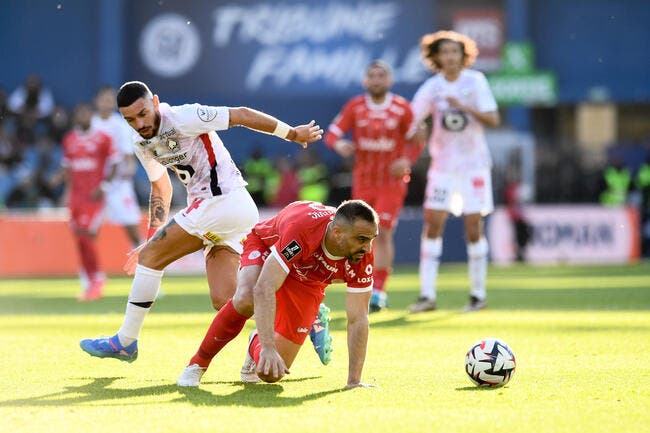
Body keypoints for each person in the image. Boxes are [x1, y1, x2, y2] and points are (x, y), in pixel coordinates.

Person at [79, 81, 323, 361]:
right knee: (227, 299)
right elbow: (162, 188)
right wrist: (153, 237)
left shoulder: (185, 116)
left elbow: (240, 114)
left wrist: (292, 133)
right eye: (130, 119)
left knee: (151, 257)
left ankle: (125, 341)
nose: (139, 123)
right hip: (219, 212)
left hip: (223, 202)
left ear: (155, 103)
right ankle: (308, 312)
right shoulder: (140, 141)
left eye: (143, 113)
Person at [176, 200, 378, 388]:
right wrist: (268, 347)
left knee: (271, 374)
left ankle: (255, 343)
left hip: (309, 280)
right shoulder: (304, 230)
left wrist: (354, 381)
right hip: (268, 247)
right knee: (247, 298)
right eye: (361, 239)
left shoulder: (363, 254)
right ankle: (197, 364)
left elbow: (358, 317)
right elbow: (264, 287)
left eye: (371, 239)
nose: (367, 247)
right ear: (337, 232)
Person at [407, 31, 500, 314]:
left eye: (454, 52)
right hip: (443, 166)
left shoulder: (476, 82)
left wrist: (464, 106)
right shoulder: (431, 88)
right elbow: (411, 121)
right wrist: (417, 131)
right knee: (433, 225)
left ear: (463, 55)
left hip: (474, 165)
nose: (449, 57)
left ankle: (477, 295)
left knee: (474, 228)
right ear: (436, 57)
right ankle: (427, 295)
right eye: (444, 52)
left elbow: (493, 119)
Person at [324, 60, 423, 312]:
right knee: (360, 232)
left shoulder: (401, 108)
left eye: (381, 75)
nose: (376, 80)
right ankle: (363, 282)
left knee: (385, 231)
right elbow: (332, 134)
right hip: (364, 180)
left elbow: (419, 137)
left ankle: (379, 290)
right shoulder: (355, 107)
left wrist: (406, 160)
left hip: (391, 182)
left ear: (389, 80)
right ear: (365, 81)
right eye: (372, 76)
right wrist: (340, 145)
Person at [51, 103, 118, 301]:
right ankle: (89, 281)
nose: (83, 116)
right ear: (76, 117)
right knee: (79, 236)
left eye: (87, 113)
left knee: (87, 232)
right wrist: (58, 181)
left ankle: (97, 278)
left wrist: (104, 186)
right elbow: (68, 167)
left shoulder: (103, 139)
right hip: (76, 197)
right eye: (80, 113)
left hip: (94, 196)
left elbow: (114, 164)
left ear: (92, 115)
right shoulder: (69, 140)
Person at [92, 86, 143, 249]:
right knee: (89, 228)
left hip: (117, 184)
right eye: (103, 99)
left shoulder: (121, 125)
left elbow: (128, 157)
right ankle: (89, 270)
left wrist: (129, 170)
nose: (106, 103)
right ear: (96, 101)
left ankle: (142, 263)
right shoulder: (91, 124)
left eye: (110, 100)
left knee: (131, 226)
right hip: (94, 184)